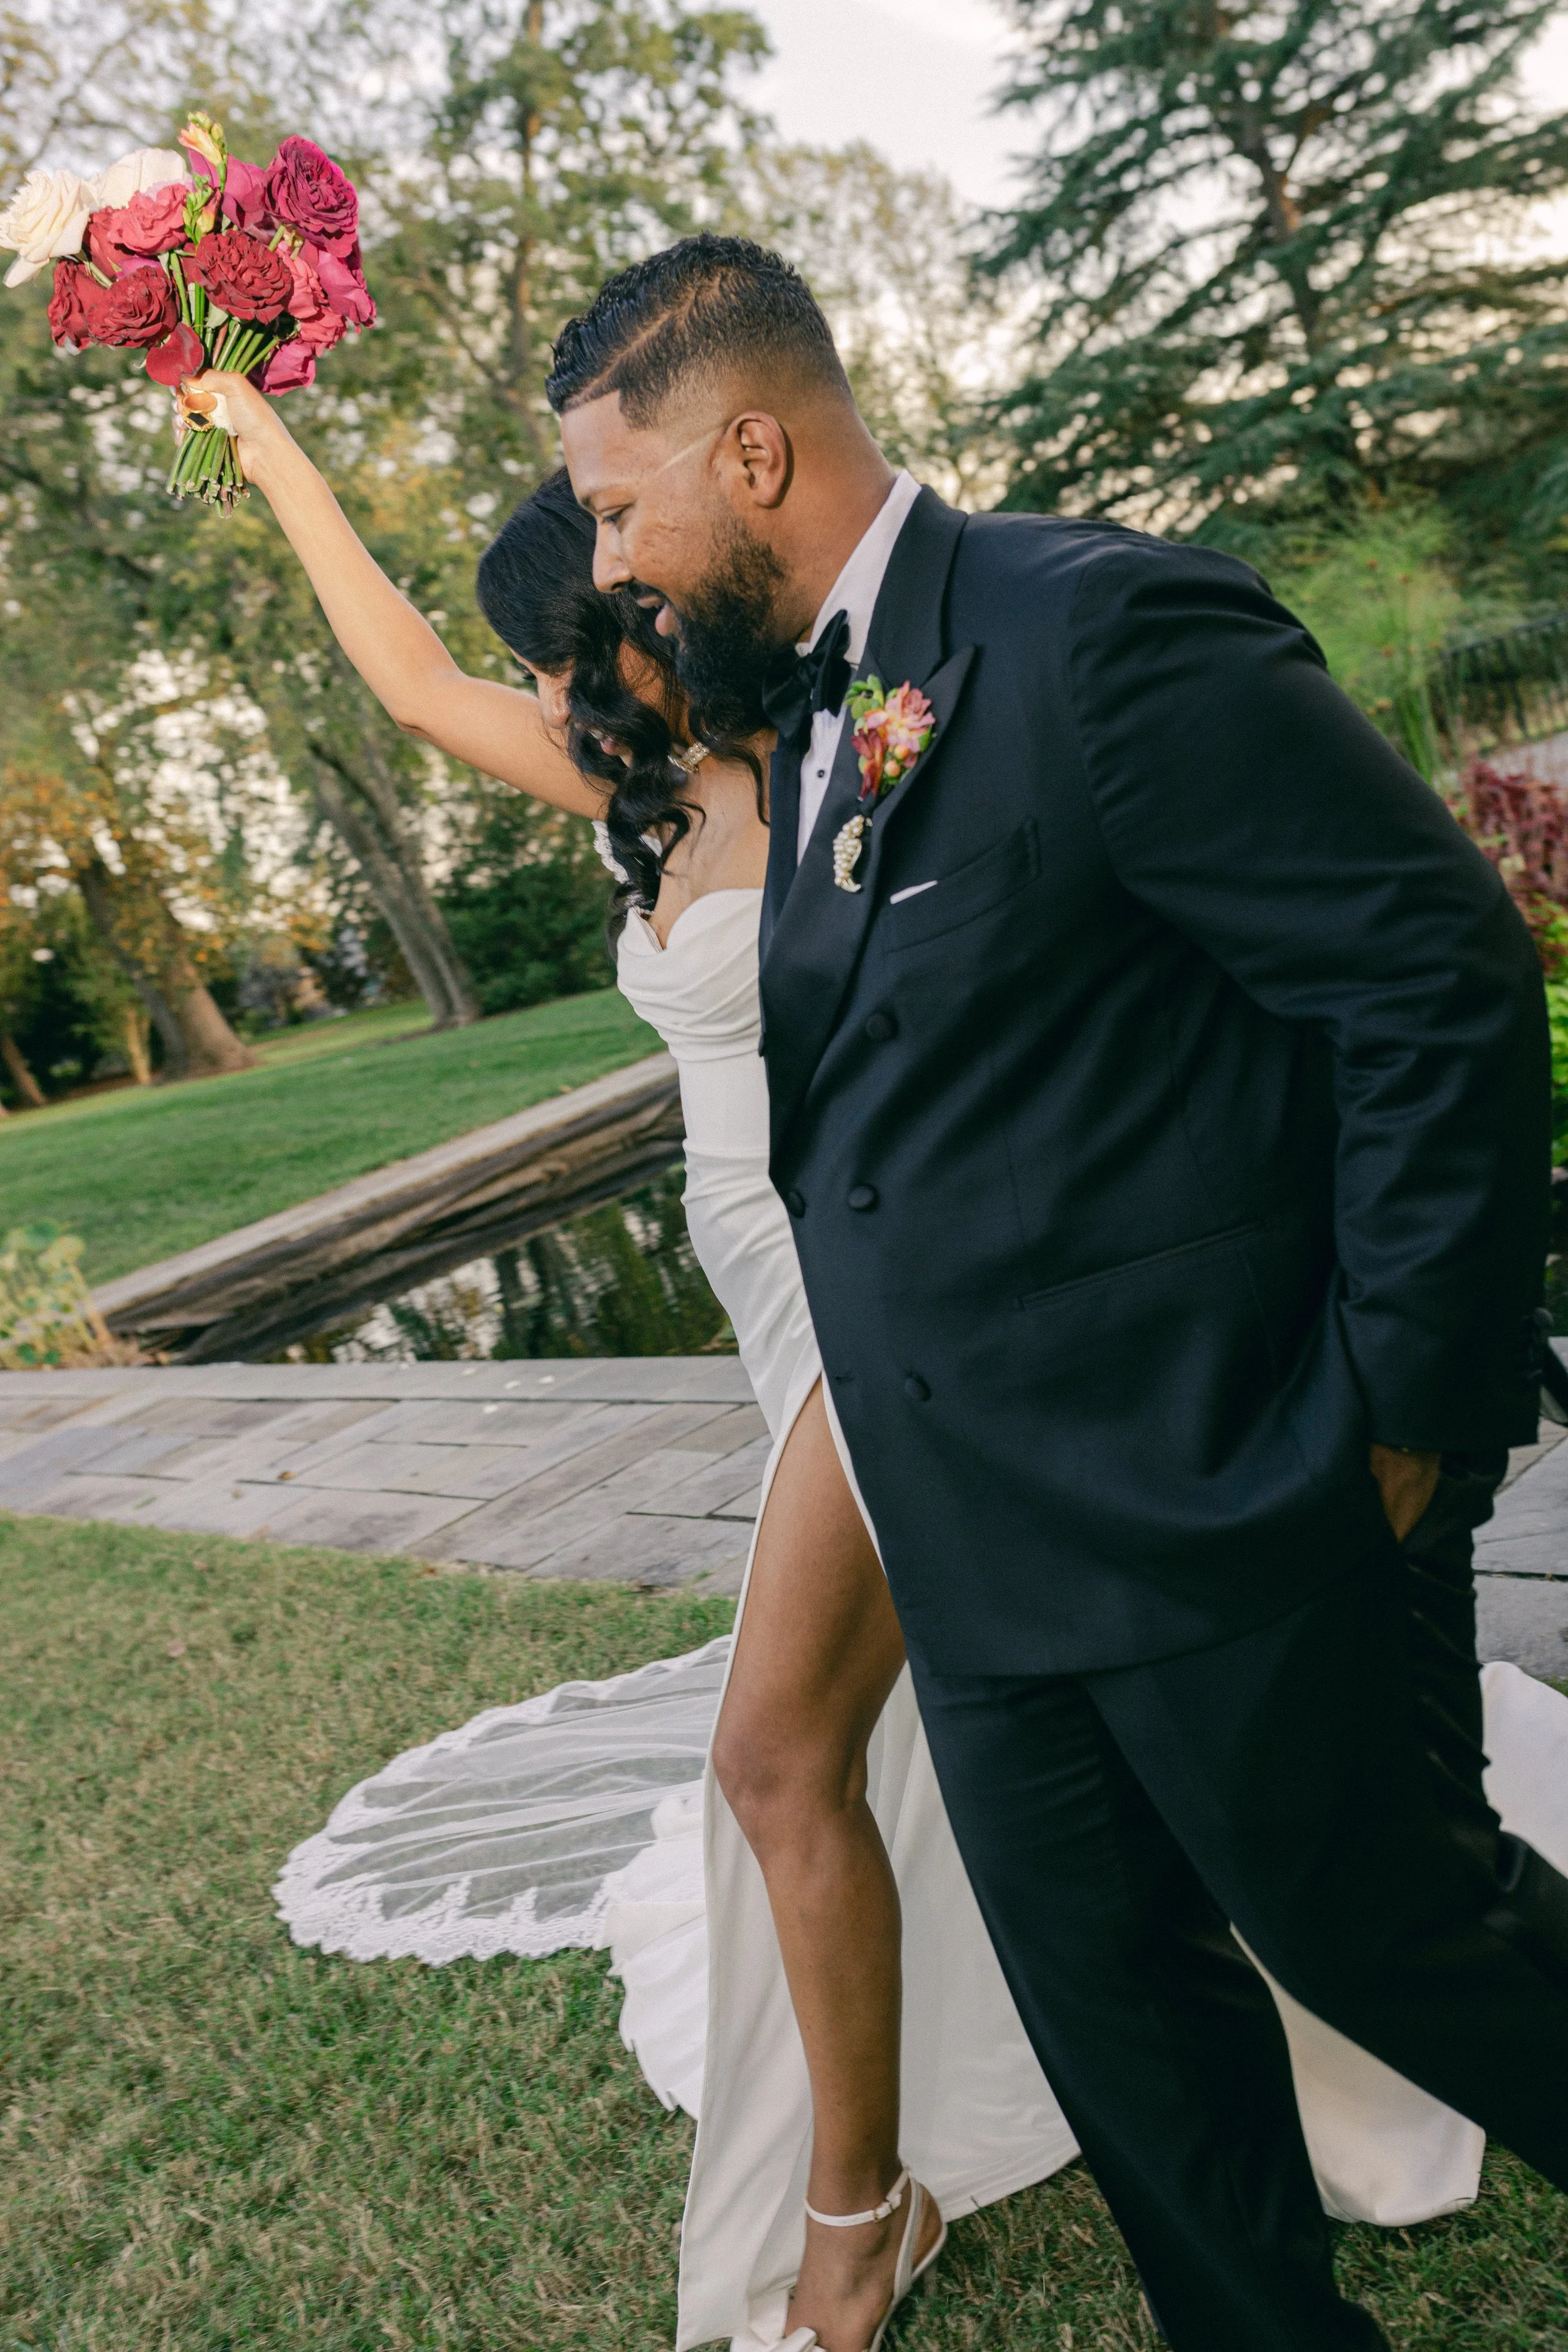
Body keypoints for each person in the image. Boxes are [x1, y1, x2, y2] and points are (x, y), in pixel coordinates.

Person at [540, 232, 1568, 2351]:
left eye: (624, 508)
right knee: (1127, 2033)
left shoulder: (1092, 629)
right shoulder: (803, 710)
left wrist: (1399, 1419)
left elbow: (1433, 981)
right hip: (979, 1550)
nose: (615, 567)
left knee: (1402, 1943)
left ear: (752, 450)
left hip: (1227, 1494)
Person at [188, 372, 1070, 2352]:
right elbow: (409, 687)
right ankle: (1040, 2008)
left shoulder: (841, 759)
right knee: (909, 1720)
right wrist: (261, 442)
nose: (580, 662)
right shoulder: (643, 793)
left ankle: (860, 2212)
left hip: (882, 1295)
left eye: (598, 620)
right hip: (766, 1302)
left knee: (773, 1754)